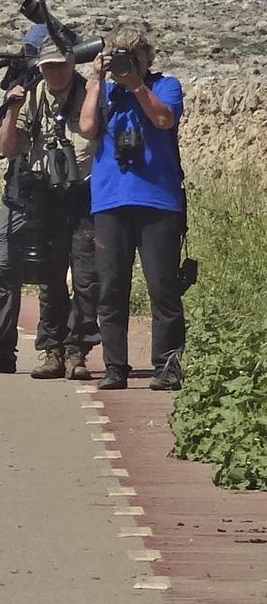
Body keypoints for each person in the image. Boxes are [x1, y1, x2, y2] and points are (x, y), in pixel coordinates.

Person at [0, 33, 100, 380]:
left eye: (60, 65)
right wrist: (11, 108)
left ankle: (77, 349)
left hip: (84, 192)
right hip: (41, 193)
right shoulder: (31, 96)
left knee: (86, 278)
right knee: (49, 277)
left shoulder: (89, 93)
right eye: (47, 66)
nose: (54, 72)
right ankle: (52, 350)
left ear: (72, 63)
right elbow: (7, 149)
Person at [79, 23, 186, 391]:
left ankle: (167, 365)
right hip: (111, 200)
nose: (125, 66)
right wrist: (96, 79)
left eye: (133, 58)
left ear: (147, 59)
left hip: (157, 200)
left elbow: (163, 119)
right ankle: (114, 367)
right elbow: (88, 126)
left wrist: (137, 85)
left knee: (163, 287)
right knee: (110, 287)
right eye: (120, 59)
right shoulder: (106, 91)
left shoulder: (165, 85)